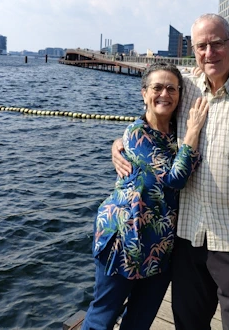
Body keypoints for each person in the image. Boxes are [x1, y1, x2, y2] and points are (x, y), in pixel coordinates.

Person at [112, 13, 229, 329]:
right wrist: (120, 143)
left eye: (217, 44)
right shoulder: (185, 91)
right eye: (201, 46)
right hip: (188, 237)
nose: (209, 53)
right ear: (193, 51)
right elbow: (153, 119)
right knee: (188, 324)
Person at [83, 62, 209, 330]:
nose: (165, 94)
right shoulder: (137, 133)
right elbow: (175, 179)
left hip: (160, 243)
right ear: (144, 94)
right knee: (102, 316)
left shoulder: (175, 132)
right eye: (157, 88)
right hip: (124, 238)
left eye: (172, 88)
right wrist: (194, 130)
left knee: (141, 319)